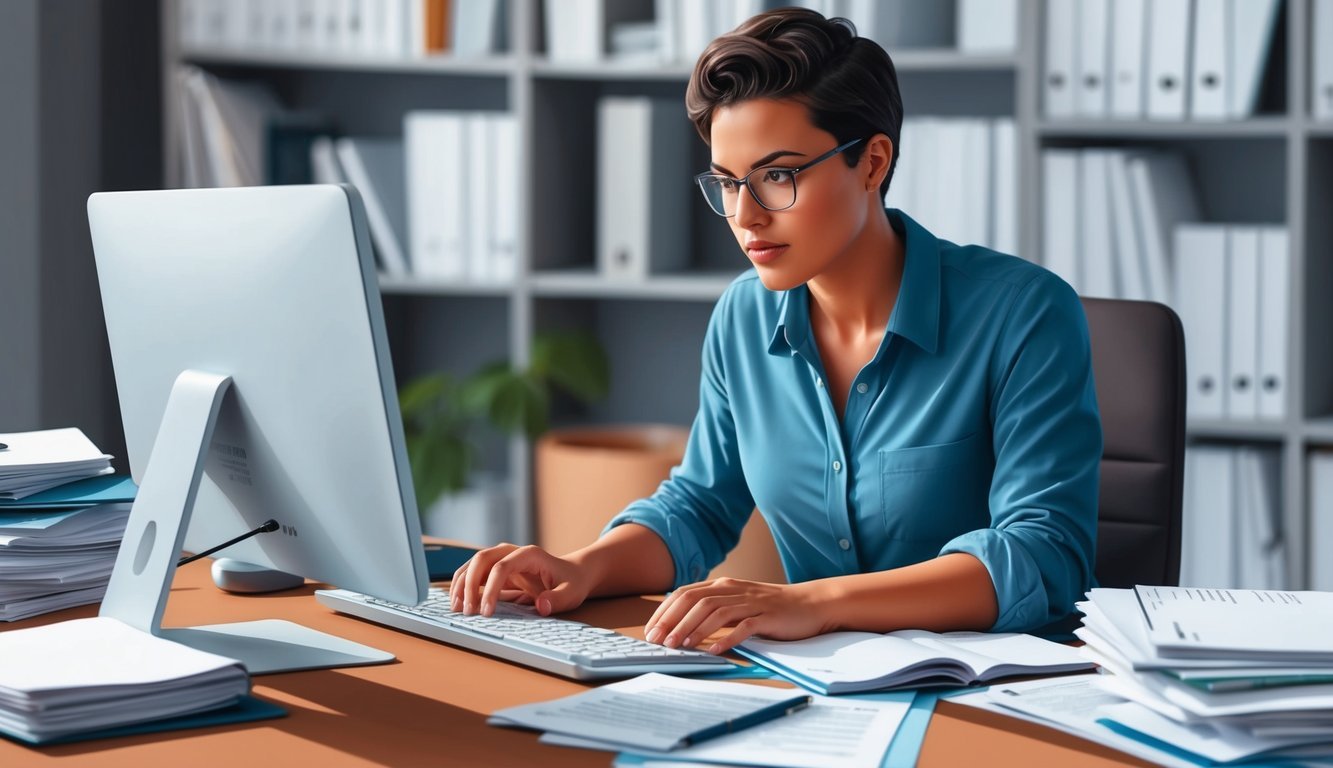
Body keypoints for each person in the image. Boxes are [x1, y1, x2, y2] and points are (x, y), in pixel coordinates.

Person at [450, 8, 1101, 654]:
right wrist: (583, 567)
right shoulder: (743, 316)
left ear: (871, 163)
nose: (745, 216)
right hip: (822, 689)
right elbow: (699, 505)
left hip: (998, 691)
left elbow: (1038, 556)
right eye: (728, 183)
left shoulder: (1023, 312)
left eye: (778, 176)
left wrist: (809, 602)